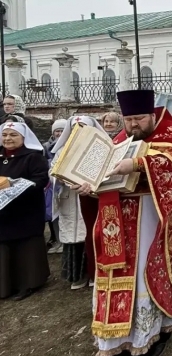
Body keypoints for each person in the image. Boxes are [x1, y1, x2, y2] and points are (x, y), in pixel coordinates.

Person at [79, 90, 172, 356]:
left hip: (150, 218)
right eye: (128, 119)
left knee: (143, 273)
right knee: (112, 273)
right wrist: (87, 186)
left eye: (139, 118)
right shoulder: (119, 140)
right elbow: (102, 175)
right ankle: (113, 340)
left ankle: (147, 335)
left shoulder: (168, 136)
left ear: (151, 115)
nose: (133, 124)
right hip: (114, 219)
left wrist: (138, 163)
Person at [52, 116, 105, 289]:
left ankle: (95, 273)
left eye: (83, 127)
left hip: (92, 198)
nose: (79, 131)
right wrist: (64, 179)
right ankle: (77, 275)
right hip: (70, 199)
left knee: (93, 234)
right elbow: (53, 171)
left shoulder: (100, 148)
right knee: (74, 236)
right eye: (75, 127)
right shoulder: (62, 151)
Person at [0, 121, 50, 301]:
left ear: (23, 137)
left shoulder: (33, 156)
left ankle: (28, 283)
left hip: (26, 210)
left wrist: (16, 187)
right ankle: (5, 286)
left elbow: (41, 179)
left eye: (13, 135)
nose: (8, 138)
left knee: (25, 248)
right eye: (5, 134)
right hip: (3, 213)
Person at [44, 119, 67, 253]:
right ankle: (57, 240)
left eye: (62, 131)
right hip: (51, 184)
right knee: (53, 214)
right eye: (57, 131)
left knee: (64, 214)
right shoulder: (47, 146)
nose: (59, 133)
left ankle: (64, 242)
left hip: (65, 184)